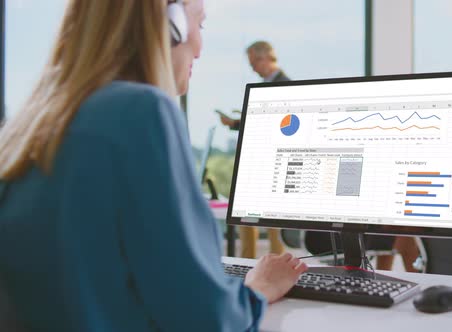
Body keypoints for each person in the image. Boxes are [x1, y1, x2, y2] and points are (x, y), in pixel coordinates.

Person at [0, 1, 307, 331]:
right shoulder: (140, 111)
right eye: (199, 25)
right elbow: (206, 320)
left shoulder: (26, 129)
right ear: (171, 22)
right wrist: (259, 288)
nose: (200, 49)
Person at [218, 41, 290, 258]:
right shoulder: (268, 84)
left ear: (265, 58)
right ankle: (248, 263)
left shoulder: (284, 84)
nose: (252, 68)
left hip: (272, 159)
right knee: (248, 216)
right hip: (261, 158)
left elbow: (277, 123)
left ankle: (274, 263)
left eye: (253, 62)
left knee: (270, 220)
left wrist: (236, 124)